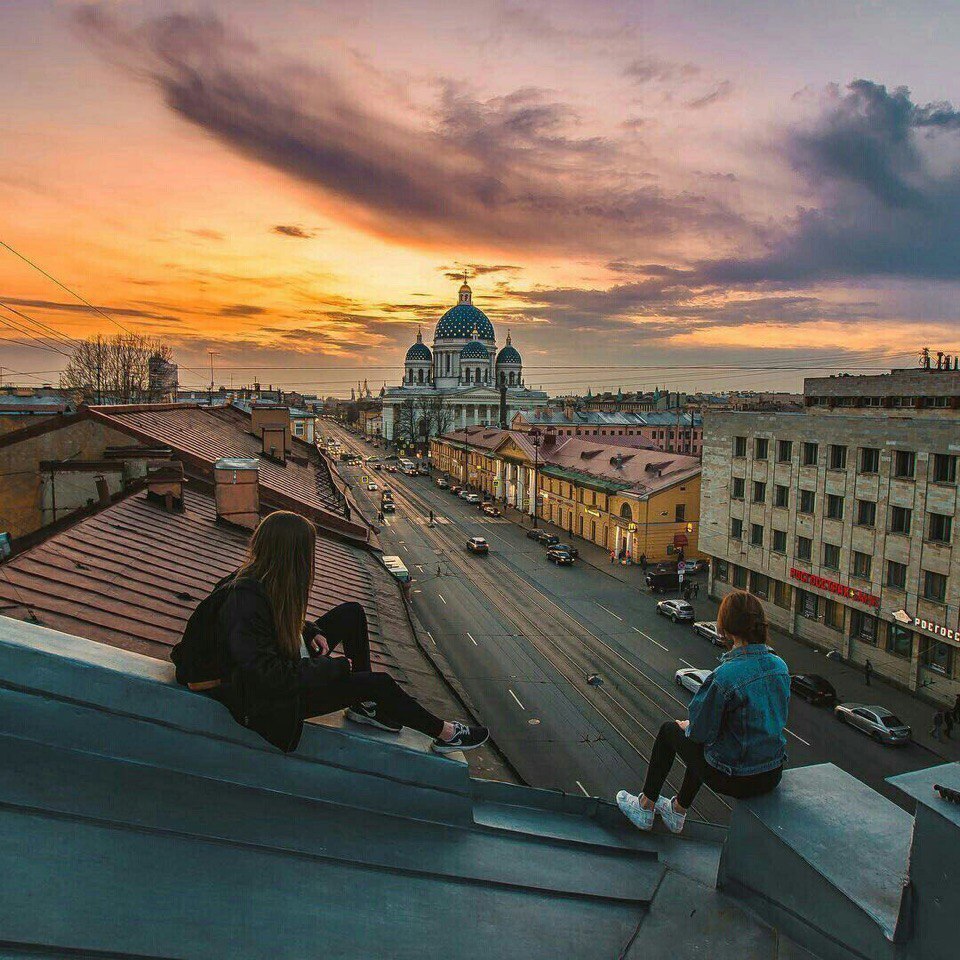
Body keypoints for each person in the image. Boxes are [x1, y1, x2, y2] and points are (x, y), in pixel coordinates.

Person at [172, 511, 488, 755]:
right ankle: (446, 734)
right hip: (258, 703)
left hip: (261, 679)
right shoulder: (244, 603)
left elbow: (272, 621)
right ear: (293, 557)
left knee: (351, 612)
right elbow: (268, 677)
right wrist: (329, 668)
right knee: (378, 683)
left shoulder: (255, 578)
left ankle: (365, 707)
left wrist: (310, 630)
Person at [615, 591, 789, 834]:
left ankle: (645, 806)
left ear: (725, 627)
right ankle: (676, 809)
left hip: (737, 778)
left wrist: (689, 727)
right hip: (772, 773)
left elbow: (700, 734)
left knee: (671, 732)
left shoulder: (725, 676)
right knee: (707, 745)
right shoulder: (780, 667)